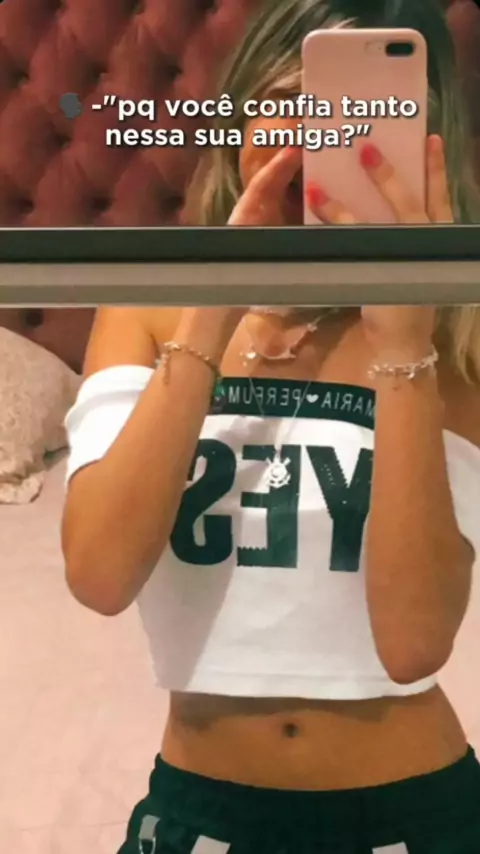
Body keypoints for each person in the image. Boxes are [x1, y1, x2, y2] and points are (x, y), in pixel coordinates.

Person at [62, 0, 480, 851]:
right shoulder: (147, 310)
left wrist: (406, 344)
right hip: (201, 809)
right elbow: (99, 573)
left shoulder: (459, 336)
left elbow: (412, 644)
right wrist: (214, 305)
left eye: (367, 114)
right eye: (292, 100)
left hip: (414, 811)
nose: (324, 137)